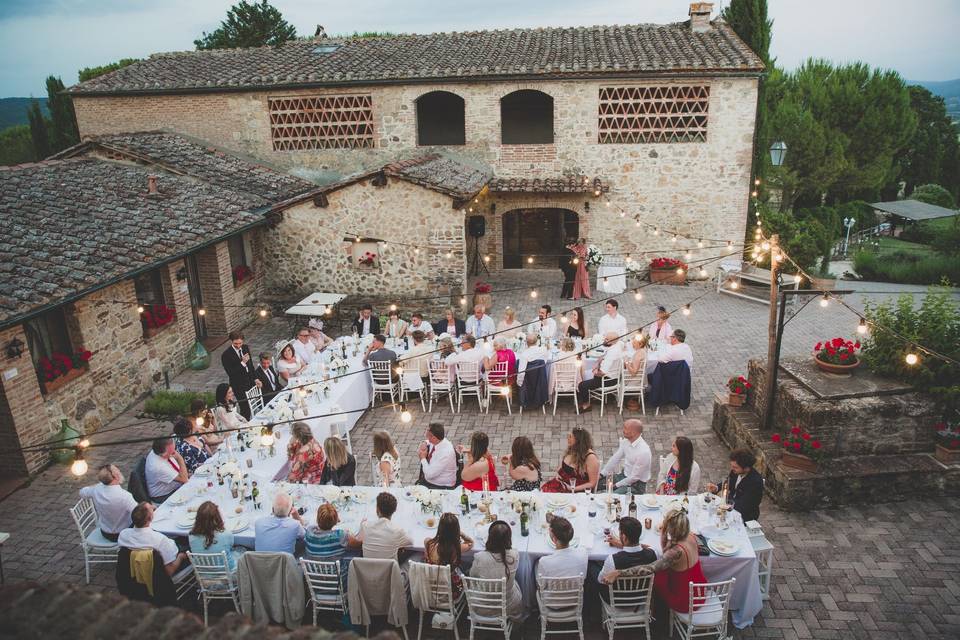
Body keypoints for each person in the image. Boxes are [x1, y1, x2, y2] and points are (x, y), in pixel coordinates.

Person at [615, 509, 706, 615]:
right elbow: (665, 551)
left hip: (686, 600)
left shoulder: (676, 552)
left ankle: (657, 613)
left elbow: (648, 569)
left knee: (656, 577)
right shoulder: (690, 535)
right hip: (699, 590)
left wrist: (619, 572)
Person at [470, 521, 523, 620]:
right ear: (508, 539)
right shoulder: (514, 555)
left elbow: (472, 576)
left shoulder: (479, 557)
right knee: (515, 581)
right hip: (509, 604)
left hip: (483, 606)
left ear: (490, 538)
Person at [118, 502, 188, 576]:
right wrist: (180, 557)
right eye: (152, 509)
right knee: (187, 542)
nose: (153, 507)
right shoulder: (159, 540)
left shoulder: (123, 534)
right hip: (158, 575)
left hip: (134, 571)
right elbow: (169, 571)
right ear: (151, 518)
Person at [597, 516, 658, 595]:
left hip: (617, 602)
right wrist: (621, 543)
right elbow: (648, 547)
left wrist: (620, 543)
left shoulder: (612, 559)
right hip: (641, 597)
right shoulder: (654, 554)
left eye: (620, 533)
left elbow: (601, 580)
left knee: (593, 567)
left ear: (624, 537)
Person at [79, 464, 137, 542]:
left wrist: (96, 487)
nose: (119, 470)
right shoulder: (125, 496)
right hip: (123, 534)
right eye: (117, 470)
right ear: (116, 476)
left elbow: (82, 492)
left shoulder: (96, 489)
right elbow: (138, 513)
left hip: (105, 532)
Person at [706, 449, 763, 522]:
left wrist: (725, 496)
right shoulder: (735, 471)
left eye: (735, 467)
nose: (732, 469)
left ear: (746, 468)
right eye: (732, 466)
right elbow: (729, 481)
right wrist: (717, 488)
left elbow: (743, 506)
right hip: (730, 507)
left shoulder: (755, 483)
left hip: (744, 516)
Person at [424, 513, 474, 598]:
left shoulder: (428, 542)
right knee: (468, 566)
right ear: (456, 530)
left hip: (431, 586)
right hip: (452, 590)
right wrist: (460, 533)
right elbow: (470, 542)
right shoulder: (457, 548)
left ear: (440, 528)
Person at [599, 419, 652, 494]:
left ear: (633, 432)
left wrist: (616, 485)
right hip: (623, 476)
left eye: (625, 428)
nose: (623, 430)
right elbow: (615, 458)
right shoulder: (626, 441)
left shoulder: (644, 452)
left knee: (611, 497)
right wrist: (602, 474)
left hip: (635, 485)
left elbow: (634, 477)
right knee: (596, 483)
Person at [576, 332, 624, 412]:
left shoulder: (611, 354)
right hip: (615, 377)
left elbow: (602, 373)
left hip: (607, 380)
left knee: (581, 385)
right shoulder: (617, 347)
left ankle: (586, 405)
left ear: (613, 341)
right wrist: (599, 361)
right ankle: (590, 396)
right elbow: (604, 355)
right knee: (586, 374)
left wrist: (595, 371)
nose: (604, 340)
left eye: (607, 339)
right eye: (605, 338)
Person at [189, 501, 243, 571]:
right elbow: (230, 546)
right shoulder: (226, 534)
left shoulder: (191, 536)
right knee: (243, 551)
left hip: (205, 575)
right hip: (229, 573)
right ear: (217, 517)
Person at [542, 428, 600, 493]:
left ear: (578, 441)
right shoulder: (572, 449)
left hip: (577, 490)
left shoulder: (591, 458)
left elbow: (592, 483)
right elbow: (563, 466)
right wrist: (558, 474)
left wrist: (571, 488)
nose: (568, 438)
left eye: (571, 437)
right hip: (562, 484)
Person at [357, 492, 413, 560]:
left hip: (367, 568)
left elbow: (359, 539)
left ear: (377, 509)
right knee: (412, 551)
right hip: (390, 569)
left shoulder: (365, 525)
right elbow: (410, 542)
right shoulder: (397, 531)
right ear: (394, 510)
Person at [220, 331, 259, 419]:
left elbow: (251, 365)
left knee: (254, 404)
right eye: (235, 343)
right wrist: (242, 363)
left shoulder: (245, 348)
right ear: (231, 341)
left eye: (240, 343)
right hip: (238, 385)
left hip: (249, 382)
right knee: (245, 408)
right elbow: (231, 373)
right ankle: (245, 425)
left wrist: (255, 378)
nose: (238, 346)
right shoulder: (226, 355)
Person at [145, 437, 188, 503]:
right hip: (164, 496)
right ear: (163, 454)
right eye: (172, 452)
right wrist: (180, 459)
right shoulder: (158, 466)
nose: (174, 453)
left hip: (174, 484)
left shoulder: (159, 450)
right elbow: (184, 479)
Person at [417, 422, 457, 489]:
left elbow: (430, 475)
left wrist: (423, 458)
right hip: (430, 480)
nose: (426, 436)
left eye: (428, 435)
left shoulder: (446, 453)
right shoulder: (439, 441)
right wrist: (424, 442)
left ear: (434, 438)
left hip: (440, 486)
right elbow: (425, 443)